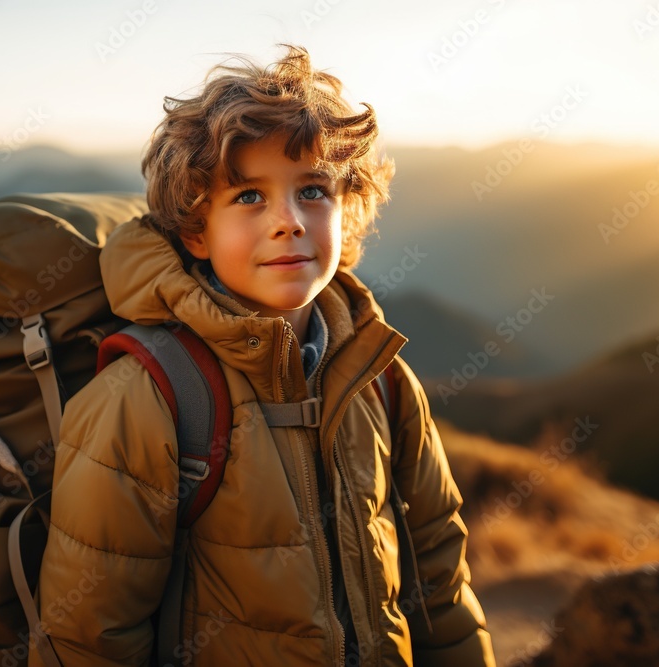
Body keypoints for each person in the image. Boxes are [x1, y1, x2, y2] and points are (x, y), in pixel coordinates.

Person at [35, 44, 495, 666]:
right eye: (248, 197)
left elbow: (438, 573)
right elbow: (89, 636)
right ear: (196, 230)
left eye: (313, 190)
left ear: (348, 207)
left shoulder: (379, 377)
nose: (289, 222)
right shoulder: (148, 397)